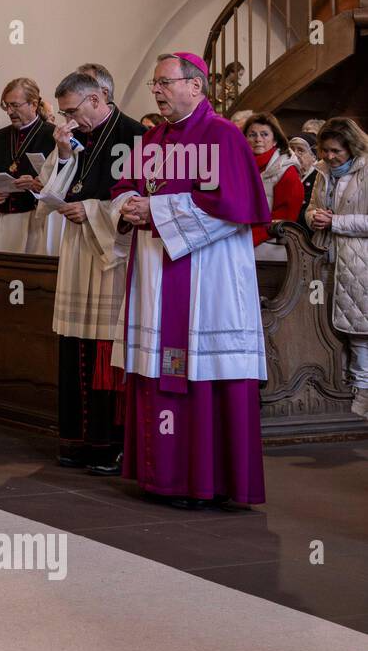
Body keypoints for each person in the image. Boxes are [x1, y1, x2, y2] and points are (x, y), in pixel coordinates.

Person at [112, 52, 271, 509]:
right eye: (154, 85)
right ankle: (163, 476)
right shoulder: (152, 138)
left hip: (209, 277)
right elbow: (125, 187)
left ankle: (206, 480)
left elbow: (234, 204)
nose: (157, 91)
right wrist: (127, 205)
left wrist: (156, 210)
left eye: (164, 82)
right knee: (162, 364)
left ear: (195, 86)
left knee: (202, 368)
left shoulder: (224, 136)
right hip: (156, 277)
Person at [38, 71, 145, 474]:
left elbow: (142, 201)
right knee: (73, 344)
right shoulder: (72, 136)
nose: (67, 121)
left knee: (105, 349)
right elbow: (48, 192)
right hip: (77, 250)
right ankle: (76, 442)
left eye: (72, 111)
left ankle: (110, 444)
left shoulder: (136, 137)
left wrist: (94, 210)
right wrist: (64, 154)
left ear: (98, 99)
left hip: (111, 254)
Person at [306, 117, 368, 419]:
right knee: (326, 326)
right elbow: (311, 207)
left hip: (359, 262)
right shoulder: (322, 171)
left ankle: (361, 398)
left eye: (336, 152)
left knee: (358, 330)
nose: (329, 157)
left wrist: (337, 222)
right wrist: (314, 216)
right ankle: (336, 389)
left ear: (351, 148)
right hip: (324, 257)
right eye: (325, 150)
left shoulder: (366, 170)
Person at [0, 78, 57, 254]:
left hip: (36, 223)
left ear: (34, 104)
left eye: (15, 105)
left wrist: (40, 186)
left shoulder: (53, 136)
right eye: (6, 106)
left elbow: (64, 183)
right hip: (2, 223)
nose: (9, 111)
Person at [242, 112, 303, 260]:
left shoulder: (286, 170)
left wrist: (246, 241)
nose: (258, 140)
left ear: (275, 139)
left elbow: (284, 219)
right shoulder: (240, 165)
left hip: (269, 247)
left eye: (264, 135)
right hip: (242, 242)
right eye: (252, 135)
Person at [289, 131, 320, 227]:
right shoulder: (288, 175)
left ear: (314, 156)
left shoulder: (318, 178)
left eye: (300, 150)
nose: (295, 155)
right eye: (292, 150)